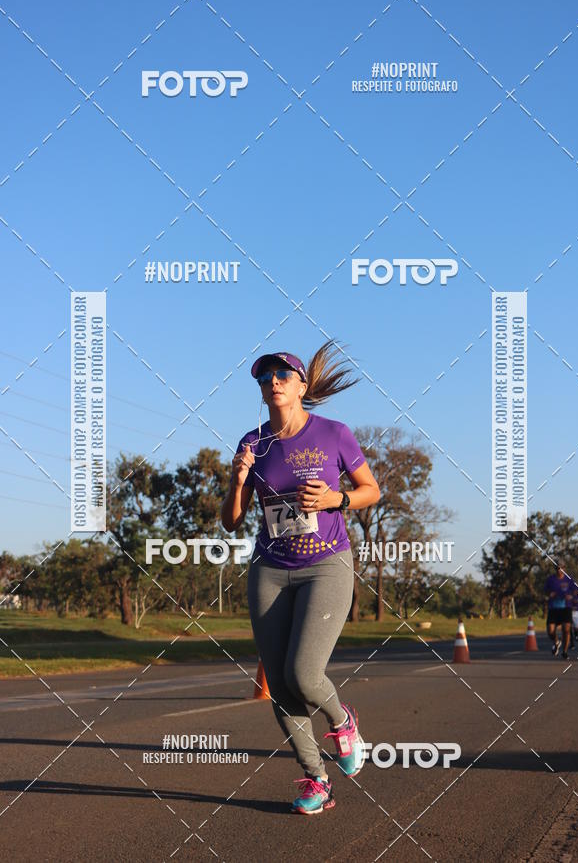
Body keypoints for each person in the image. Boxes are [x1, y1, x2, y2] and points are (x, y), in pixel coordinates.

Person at [221, 340, 381, 814]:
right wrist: (236, 480)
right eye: (264, 378)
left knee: (304, 674)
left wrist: (336, 499)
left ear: (301, 386)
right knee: (282, 686)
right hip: (269, 570)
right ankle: (316, 781)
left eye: (282, 376)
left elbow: (371, 489)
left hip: (326, 565)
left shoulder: (334, 433)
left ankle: (343, 720)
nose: (272, 383)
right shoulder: (252, 444)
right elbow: (231, 521)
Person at [544, 566, 576, 660]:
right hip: (553, 608)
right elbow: (545, 591)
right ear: (555, 569)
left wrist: (570, 596)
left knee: (566, 630)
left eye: (561, 568)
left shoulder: (569, 579)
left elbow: (575, 590)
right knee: (550, 631)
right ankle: (556, 642)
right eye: (558, 568)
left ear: (564, 568)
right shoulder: (551, 579)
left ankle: (565, 652)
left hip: (566, 608)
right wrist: (549, 594)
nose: (559, 570)